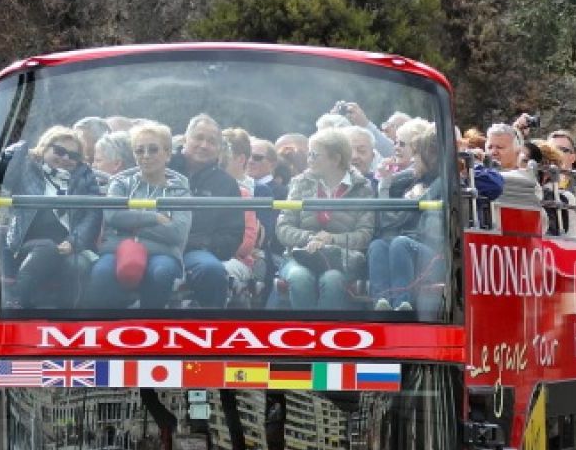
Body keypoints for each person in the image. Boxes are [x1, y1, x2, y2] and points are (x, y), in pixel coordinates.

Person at [84, 120, 190, 309]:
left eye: (153, 149)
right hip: (117, 249)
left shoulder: (180, 190)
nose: (146, 156)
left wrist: (130, 221)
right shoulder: (120, 183)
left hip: (162, 253)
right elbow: (113, 217)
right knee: (101, 273)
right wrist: (154, 218)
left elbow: (178, 232)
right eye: (139, 151)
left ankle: (151, 323)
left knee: (161, 273)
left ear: (167, 153)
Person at [273, 127, 374, 310]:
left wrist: (332, 239)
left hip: (343, 259)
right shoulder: (299, 183)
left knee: (332, 279)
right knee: (299, 277)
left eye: (314, 155)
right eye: (309, 154)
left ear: (335, 159)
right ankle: (304, 333)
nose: (308, 159)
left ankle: (327, 333)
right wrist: (312, 238)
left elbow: (365, 234)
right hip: (301, 255)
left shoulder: (362, 188)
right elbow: (283, 227)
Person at [1, 125, 95, 308]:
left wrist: (73, 242)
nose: (65, 158)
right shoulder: (26, 166)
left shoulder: (84, 176)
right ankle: (18, 302)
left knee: (77, 266)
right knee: (46, 247)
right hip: (25, 243)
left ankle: (67, 319)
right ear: (44, 147)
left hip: (68, 245)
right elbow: (4, 176)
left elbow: (93, 213)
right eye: (59, 151)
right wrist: (20, 148)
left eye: (73, 156)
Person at [170, 115, 252, 308]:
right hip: (156, 245)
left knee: (213, 271)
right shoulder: (163, 168)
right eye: (198, 138)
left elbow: (233, 235)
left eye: (211, 141)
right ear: (186, 139)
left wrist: (201, 243)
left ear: (219, 149)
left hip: (198, 252)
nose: (204, 145)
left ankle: (212, 327)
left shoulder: (227, 184)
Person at [368, 121, 447, 313]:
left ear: (430, 158)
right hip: (410, 245)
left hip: (435, 253)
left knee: (400, 243)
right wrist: (386, 185)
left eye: (417, 156)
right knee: (377, 245)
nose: (413, 162)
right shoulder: (413, 184)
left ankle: (402, 303)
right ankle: (381, 302)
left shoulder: (443, 183)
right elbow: (394, 219)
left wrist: (418, 199)